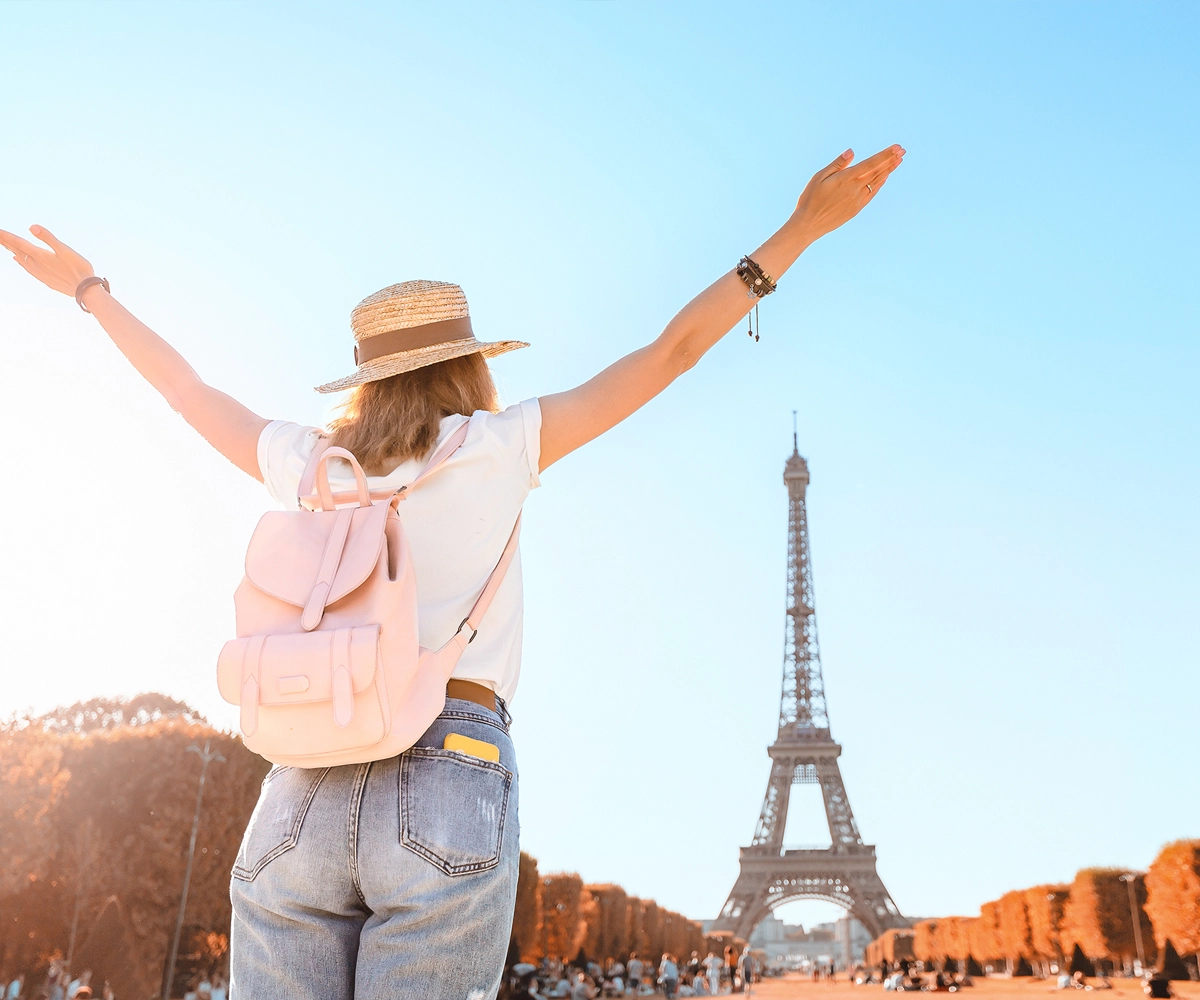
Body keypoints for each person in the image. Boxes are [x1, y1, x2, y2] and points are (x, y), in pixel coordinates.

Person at [0, 144, 903, 1000]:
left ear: (364, 376)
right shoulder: (501, 444)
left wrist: (90, 292)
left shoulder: (317, 465)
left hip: (301, 780)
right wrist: (798, 233)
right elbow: (671, 350)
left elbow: (189, 391)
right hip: (450, 764)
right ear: (471, 361)